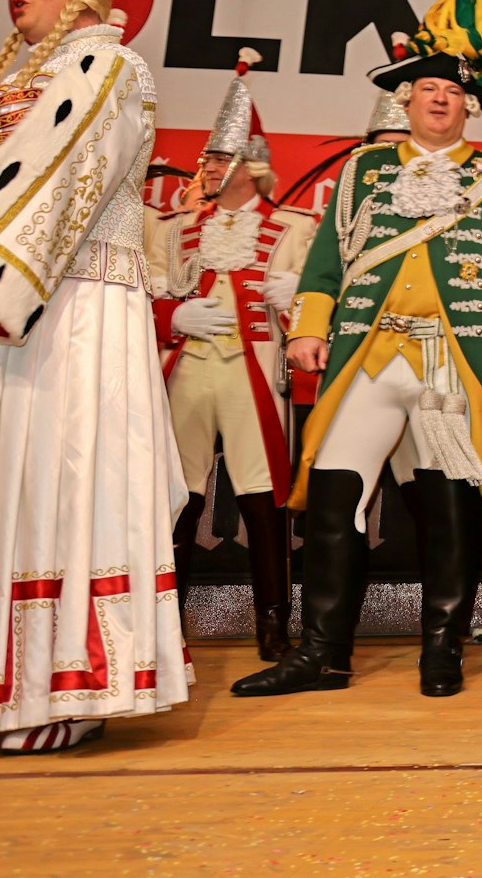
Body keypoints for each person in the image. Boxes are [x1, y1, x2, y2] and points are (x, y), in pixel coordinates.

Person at [231, 0, 482, 698]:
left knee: (446, 508)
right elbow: (326, 259)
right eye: (427, 88)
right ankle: (322, 654)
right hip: (367, 354)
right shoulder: (363, 169)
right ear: (406, 100)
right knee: (336, 500)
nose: (438, 98)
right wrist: (311, 328)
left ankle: (443, 647)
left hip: (447, 362)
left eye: (452, 91)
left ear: (471, 105)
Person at [0, 0, 192, 752]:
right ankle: (12, 683)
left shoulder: (106, 64)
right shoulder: (38, 76)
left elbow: (59, 173)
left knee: (72, 474)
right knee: (19, 482)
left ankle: (77, 681)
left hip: (76, 301)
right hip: (26, 300)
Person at [148, 49, 319, 659]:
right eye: (208, 157)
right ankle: (164, 622)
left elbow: (328, 304)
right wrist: (173, 316)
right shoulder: (175, 230)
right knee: (176, 495)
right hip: (189, 369)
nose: (208, 167)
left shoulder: (296, 228)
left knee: (263, 497)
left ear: (251, 165)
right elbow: (143, 298)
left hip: (256, 374)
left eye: (219, 157)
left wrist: (299, 299)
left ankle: (275, 624)